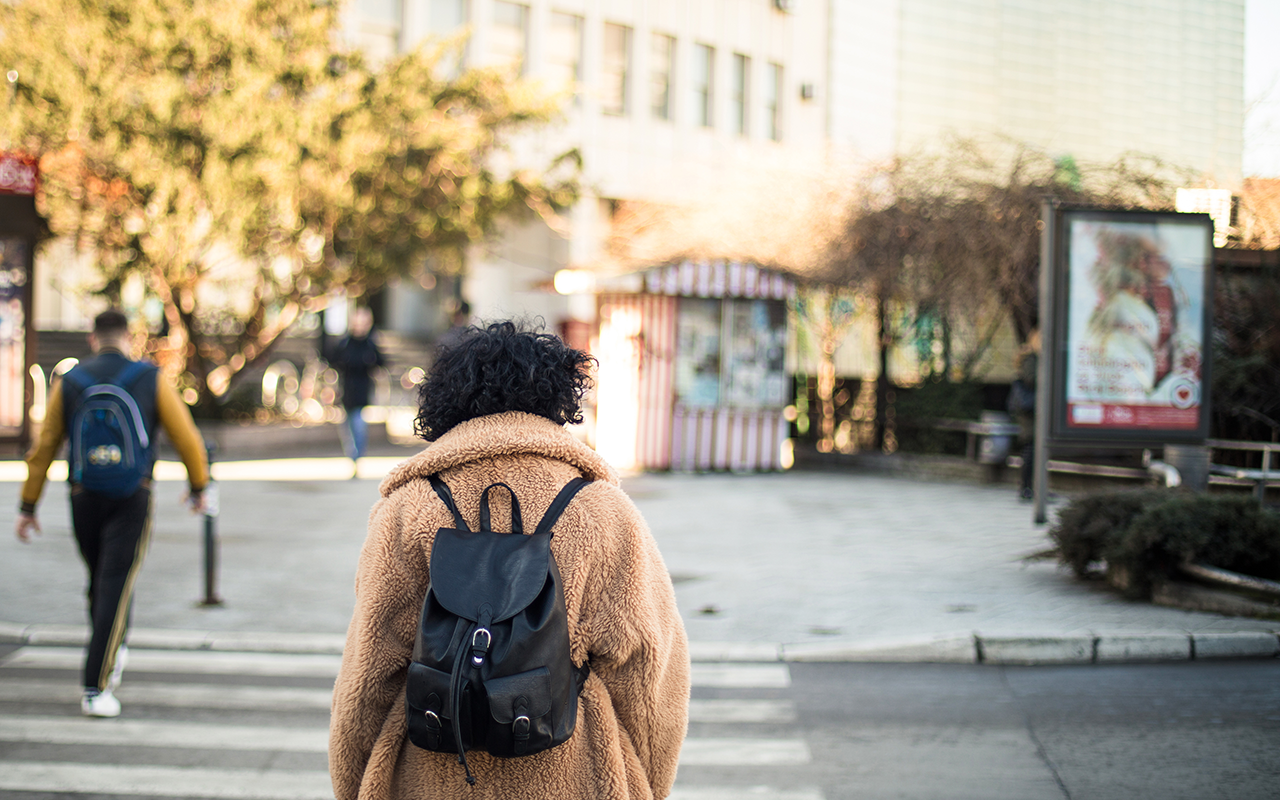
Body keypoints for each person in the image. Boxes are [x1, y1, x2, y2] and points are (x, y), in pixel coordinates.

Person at [329, 321, 689, 800]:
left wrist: (355, 783)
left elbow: (367, 673)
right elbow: (651, 675)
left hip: (431, 775)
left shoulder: (408, 508)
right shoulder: (601, 509)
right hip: (574, 775)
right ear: (556, 398)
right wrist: (645, 783)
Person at [15, 309, 209, 718]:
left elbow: (44, 446)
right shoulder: (148, 377)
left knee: (101, 582)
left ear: (92, 338)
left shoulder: (70, 381)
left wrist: (28, 506)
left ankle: (111, 650)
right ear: (129, 337)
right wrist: (198, 487)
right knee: (115, 584)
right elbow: (186, 437)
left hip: (83, 496)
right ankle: (96, 683)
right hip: (131, 496)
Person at [330, 307, 385, 470]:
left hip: (362, 389)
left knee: (359, 423)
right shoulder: (345, 342)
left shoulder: (370, 343)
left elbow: (381, 362)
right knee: (347, 426)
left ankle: (357, 455)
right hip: (346, 389)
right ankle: (351, 453)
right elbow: (334, 360)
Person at [1011, 329, 1040, 501]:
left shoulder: (1035, 358)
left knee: (1035, 449)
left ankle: (1033, 487)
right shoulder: (1031, 359)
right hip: (1029, 410)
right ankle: (1026, 488)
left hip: (1032, 409)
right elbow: (1032, 379)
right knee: (1031, 448)